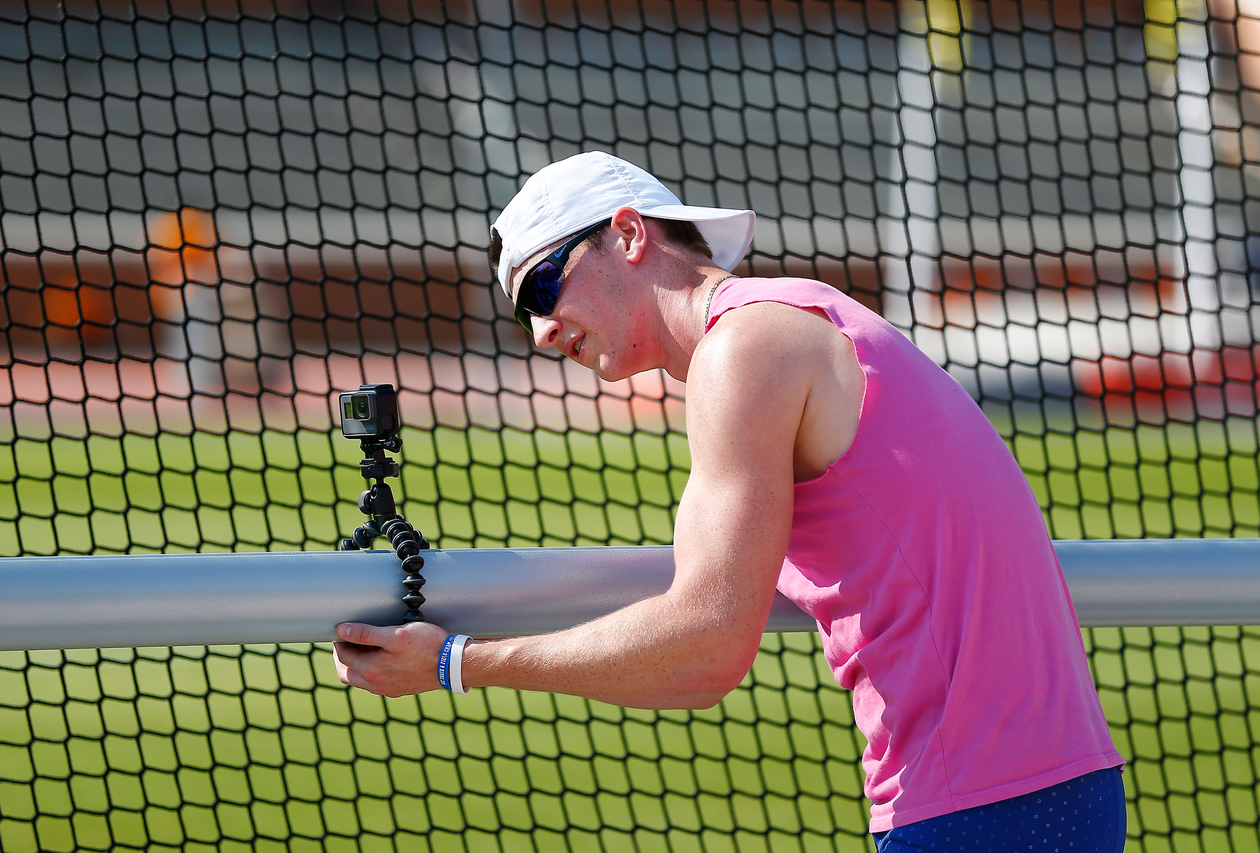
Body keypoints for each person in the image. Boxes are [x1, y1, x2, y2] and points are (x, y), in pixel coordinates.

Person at [333, 152, 1126, 850]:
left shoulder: (743, 349)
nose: (540, 330)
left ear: (630, 235)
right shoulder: (797, 315)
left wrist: (452, 661)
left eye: (544, 283)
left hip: (979, 809)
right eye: (522, 311)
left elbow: (705, 648)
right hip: (1052, 791)